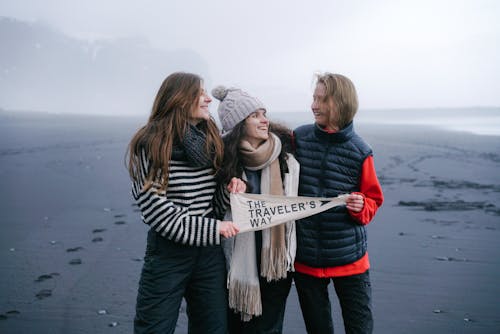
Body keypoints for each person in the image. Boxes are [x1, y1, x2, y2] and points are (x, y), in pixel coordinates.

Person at [127, 72, 243, 334]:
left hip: (209, 255)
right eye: (200, 93)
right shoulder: (152, 143)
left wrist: (230, 189)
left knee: (213, 329)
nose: (208, 99)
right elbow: (157, 212)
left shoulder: (210, 139)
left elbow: (214, 204)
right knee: (153, 328)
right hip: (168, 253)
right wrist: (214, 229)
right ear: (180, 99)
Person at [292, 73, 384, 334]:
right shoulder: (298, 138)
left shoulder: (360, 150)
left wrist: (361, 207)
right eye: (313, 98)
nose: (313, 105)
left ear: (340, 103)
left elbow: (374, 200)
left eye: (321, 100)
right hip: (306, 258)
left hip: (350, 259)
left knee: (359, 328)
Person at [212, 85, 300, 334]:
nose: (265, 121)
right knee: (238, 327)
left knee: (270, 328)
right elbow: (215, 210)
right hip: (237, 260)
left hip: (275, 258)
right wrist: (227, 192)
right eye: (255, 115)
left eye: (264, 113)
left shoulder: (286, 157)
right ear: (239, 124)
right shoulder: (223, 161)